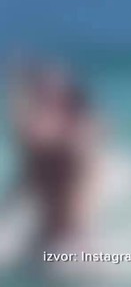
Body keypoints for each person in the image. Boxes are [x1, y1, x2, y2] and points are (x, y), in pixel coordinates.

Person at [1, 65, 103, 252]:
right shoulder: (40, 153)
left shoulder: (74, 145)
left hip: (72, 246)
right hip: (51, 242)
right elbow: (19, 189)